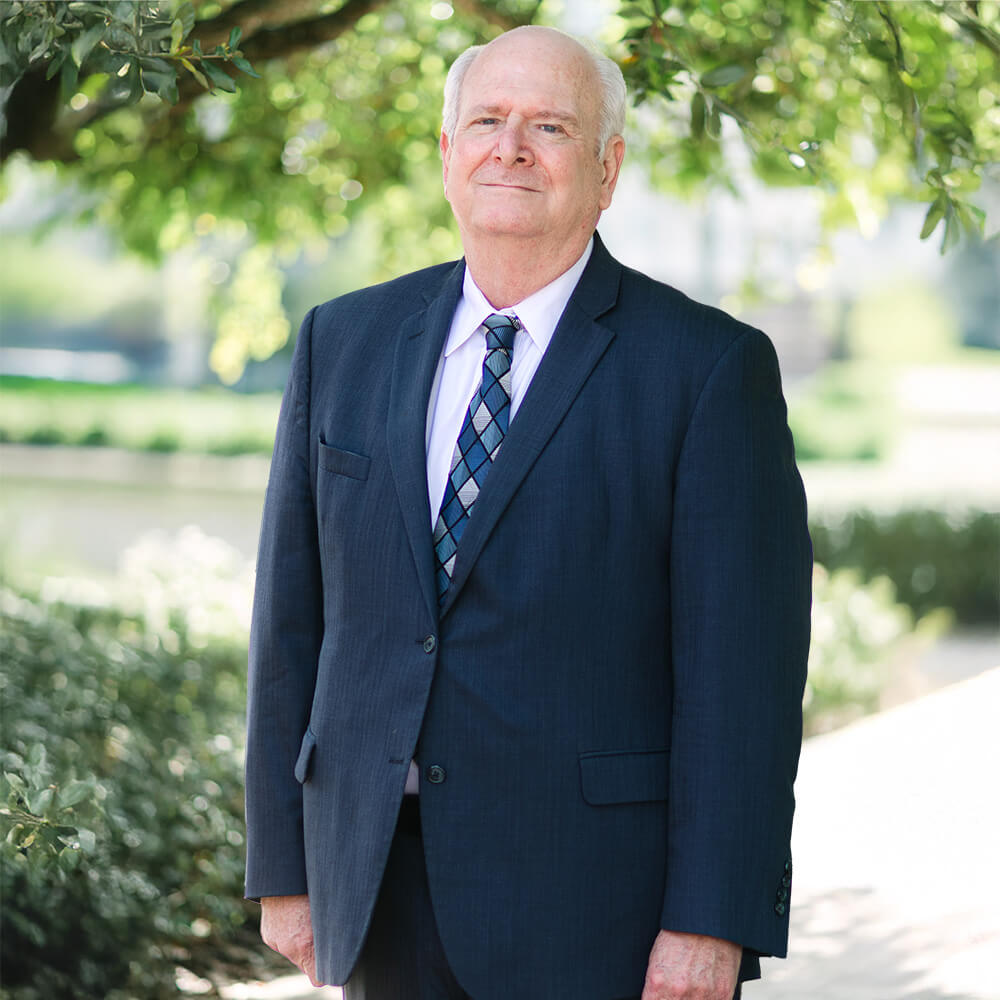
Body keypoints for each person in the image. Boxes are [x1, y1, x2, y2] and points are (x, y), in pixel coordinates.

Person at [244, 25, 811, 1000]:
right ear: (446, 153)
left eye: (549, 126)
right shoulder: (343, 340)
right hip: (378, 882)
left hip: (598, 908)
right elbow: (290, 623)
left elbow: (742, 679)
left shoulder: (708, 370)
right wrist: (284, 867)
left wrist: (709, 919)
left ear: (606, 169)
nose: (510, 147)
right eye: (486, 121)